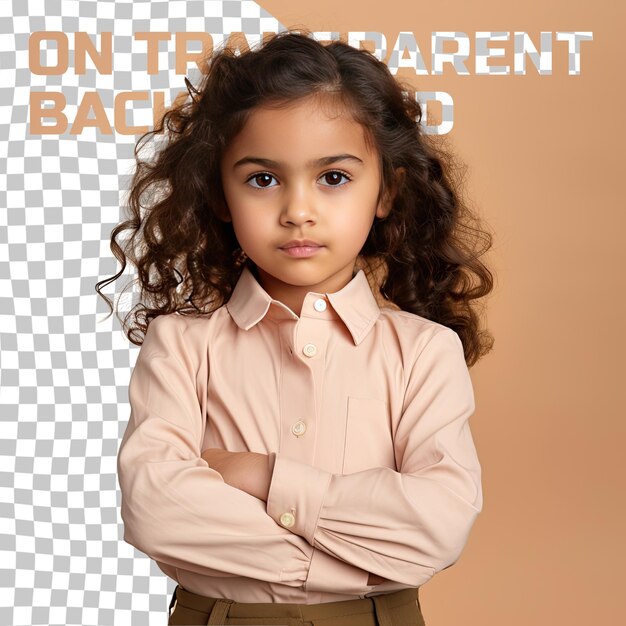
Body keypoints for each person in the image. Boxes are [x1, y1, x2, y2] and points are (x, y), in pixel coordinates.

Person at [96, 28, 494, 626]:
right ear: (221, 195)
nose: (297, 210)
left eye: (334, 177)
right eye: (263, 179)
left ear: (385, 190)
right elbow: (156, 511)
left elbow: (437, 527)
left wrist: (264, 477)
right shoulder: (182, 345)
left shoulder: (423, 352)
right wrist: (357, 555)